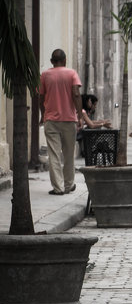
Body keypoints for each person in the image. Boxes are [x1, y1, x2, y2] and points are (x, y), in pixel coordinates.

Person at [38, 48, 82, 195]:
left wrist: (42, 114)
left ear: (52, 61)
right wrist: (80, 116)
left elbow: (40, 97)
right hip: (69, 120)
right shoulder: (72, 73)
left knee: (54, 154)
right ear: (65, 60)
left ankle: (58, 187)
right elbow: (76, 94)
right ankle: (69, 185)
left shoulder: (44, 75)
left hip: (51, 120)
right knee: (69, 154)